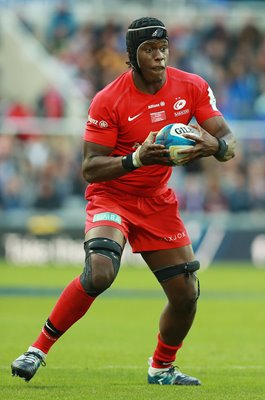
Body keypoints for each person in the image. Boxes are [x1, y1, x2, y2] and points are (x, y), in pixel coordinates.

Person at [11, 17, 236, 386]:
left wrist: (218, 146)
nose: (159, 57)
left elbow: (228, 141)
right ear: (132, 56)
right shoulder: (108, 100)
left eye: (163, 49)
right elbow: (90, 168)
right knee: (100, 270)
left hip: (157, 200)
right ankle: (37, 349)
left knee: (186, 294)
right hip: (112, 194)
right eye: (150, 50)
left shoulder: (192, 86)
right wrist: (136, 159)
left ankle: (161, 368)